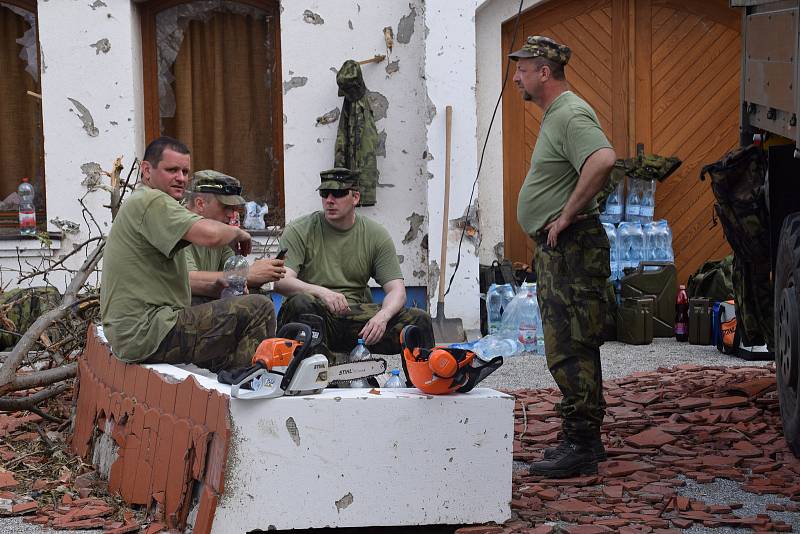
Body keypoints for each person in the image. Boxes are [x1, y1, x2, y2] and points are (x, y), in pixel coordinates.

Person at [510, 36, 617, 477]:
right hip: (562, 251)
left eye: (522, 68)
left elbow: (603, 159)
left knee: (570, 344)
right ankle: (579, 435)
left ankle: (583, 444)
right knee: (565, 344)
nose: (516, 77)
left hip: (572, 249)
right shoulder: (556, 115)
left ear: (544, 73)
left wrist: (565, 215)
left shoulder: (570, 113)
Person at [100, 136, 276, 372]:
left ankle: (223, 377)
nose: (181, 178)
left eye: (185, 171)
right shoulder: (151, 200)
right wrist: (239, 234)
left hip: (139, 331)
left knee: (224, 302)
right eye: (172, 170)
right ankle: (245, 392)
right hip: (147, 332)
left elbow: (191, 281)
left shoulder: (148, 202)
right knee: (259, 309)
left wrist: (222, 283)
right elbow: (210, 235)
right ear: (146, 170)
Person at [274, 168, 434, 359]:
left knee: (418, 320)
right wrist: (322, 292)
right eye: (325, 194)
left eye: (339, 193)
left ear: (355, 197)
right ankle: (319, 372)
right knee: (302, 303)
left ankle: (425, 381)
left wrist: (382, 317)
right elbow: (281, 282)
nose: (330, 200)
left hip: (354, 318)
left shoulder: (375, 235)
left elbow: (397, 291)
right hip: (312, 318)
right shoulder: (299, 230)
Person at [183, 170, 286, 304]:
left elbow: (231, 274)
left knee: (256, 296)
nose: (232, 215)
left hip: (205, 304)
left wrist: (261, 272)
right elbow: (188, 279)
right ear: (200, 204)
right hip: (175, 311)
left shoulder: (220, 229)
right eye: (227, 207)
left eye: (235, 209)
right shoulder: (179, 225)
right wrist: (248, 274)